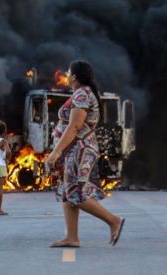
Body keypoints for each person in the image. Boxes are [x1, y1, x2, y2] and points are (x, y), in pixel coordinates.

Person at [45, 60, 124, 248]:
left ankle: (113, 221)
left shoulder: (81, 94)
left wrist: (56, 152)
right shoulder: (82, 93)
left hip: (78, 150)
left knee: (77, 193)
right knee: (67, 192)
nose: (65, 74)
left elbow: (75, 126)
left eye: (68, 72)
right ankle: (72, 237)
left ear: (74, 76)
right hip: (74, 150)